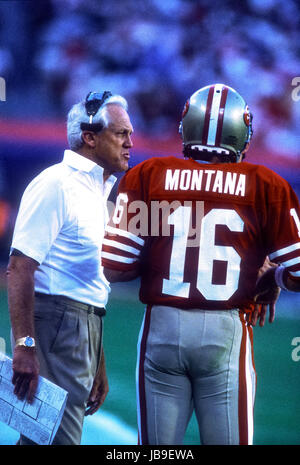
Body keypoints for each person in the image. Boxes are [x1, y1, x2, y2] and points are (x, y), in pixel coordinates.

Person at [101, 83, 300, 445]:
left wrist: (165, 259)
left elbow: (114, 267)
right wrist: (276, 276)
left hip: (161, 327)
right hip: (225, 333)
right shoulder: (267, 185)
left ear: (186, 126)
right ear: (242, 133)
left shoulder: (149, 174)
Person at [6, 91, 134, 445]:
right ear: (89, 137)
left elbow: (87, 283)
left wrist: (99, 358)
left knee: (41, 440)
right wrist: (25, 345)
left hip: (81, 326)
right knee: (54, 440)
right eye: (121, 134)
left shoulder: (96, 189)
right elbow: (19, 267)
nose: (130, 143)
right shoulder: (57, 183)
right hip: (57, 324)